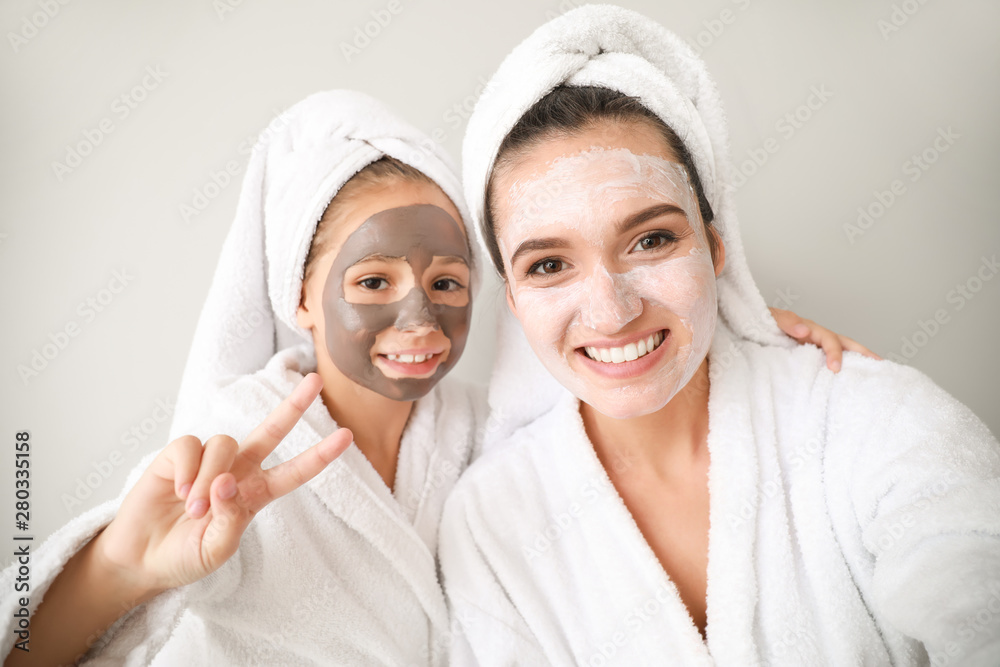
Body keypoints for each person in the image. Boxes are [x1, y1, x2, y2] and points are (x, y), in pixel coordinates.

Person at [0, 89, 861, 665]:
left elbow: (618, 376)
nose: (419, 319)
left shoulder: (479, 426)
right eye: (373, 282)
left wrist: (739, 331)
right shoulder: (236, 451)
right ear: (299, 298)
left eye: (448, 283)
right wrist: (122, 563)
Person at [439, 6, 1000, 667]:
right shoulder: (489, 518)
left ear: (713, 245)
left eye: (651, 239)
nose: (611, 312)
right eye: (550, 264)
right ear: (513, 298)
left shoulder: (873, 421)